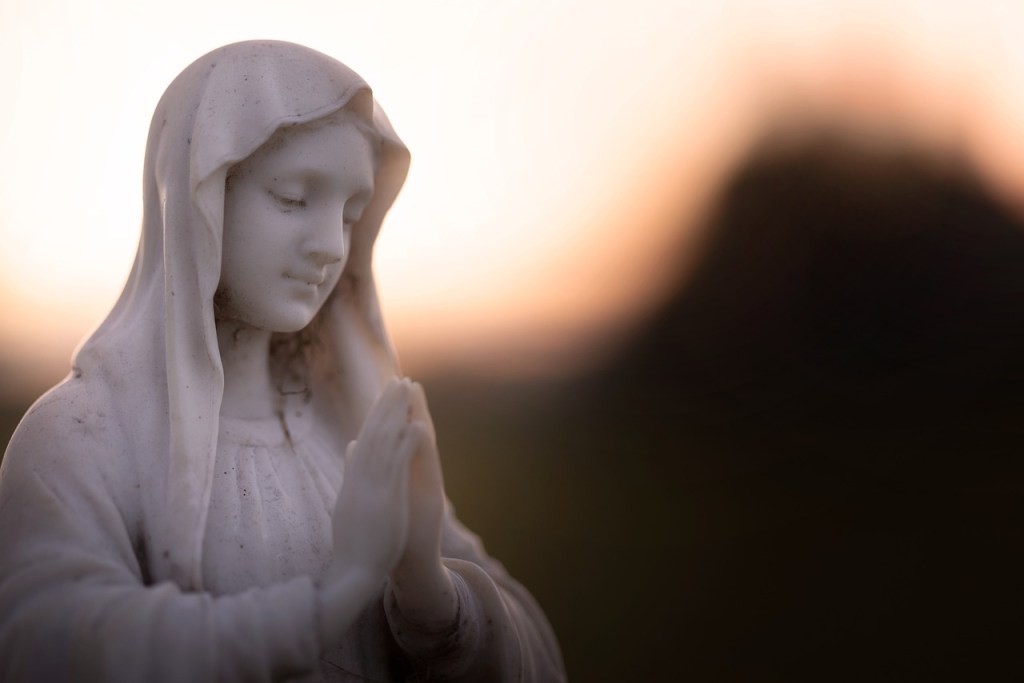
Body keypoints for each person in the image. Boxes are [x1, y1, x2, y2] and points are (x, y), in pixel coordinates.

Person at [0, 40, 565, 682]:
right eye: (294, 198)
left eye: (352, 214)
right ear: (200, 198)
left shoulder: (352, 428)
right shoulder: (82, 439)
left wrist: (429, 589)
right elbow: (49, 644)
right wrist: (336, 593)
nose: (329, 245)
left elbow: (540, 657)